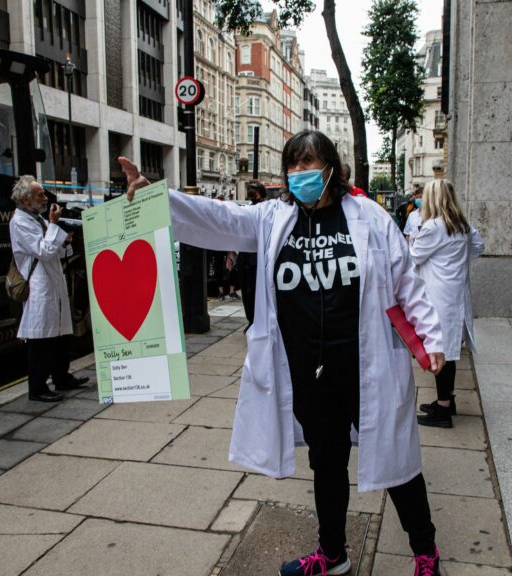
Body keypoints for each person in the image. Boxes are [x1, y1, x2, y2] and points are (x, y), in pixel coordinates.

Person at [119, 130, 447, 576]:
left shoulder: (368, 216)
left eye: (308, 163)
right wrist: (158, 198)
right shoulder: (274, 217)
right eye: (292, 164)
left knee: (398, 460)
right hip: (308, 372)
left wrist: (434, 340)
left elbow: (407, 280)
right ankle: (332, 554)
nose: (299, 173)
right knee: (326, 463)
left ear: (329, 167)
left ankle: (425, 554)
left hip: (364, 366)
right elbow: (219, 218)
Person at [411, 179, 484, 428]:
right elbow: (479, 247)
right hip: (456, 296)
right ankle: (446, 400)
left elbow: (413, 258)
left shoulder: (432, 227)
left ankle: (442, 410)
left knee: (440, 352)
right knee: (449, 352)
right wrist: (456, 263)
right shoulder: (462, 225)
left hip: (438, 297)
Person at [9, 176, 88, 402]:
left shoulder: (38, 219)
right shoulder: (20, 222)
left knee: (60, 334)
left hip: (52, 282)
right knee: (41, 338)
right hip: (38, 286)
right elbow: (42, 251)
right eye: (40, 195)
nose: (45, 199)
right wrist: (54, 226)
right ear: (26, 200)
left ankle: (61, 377)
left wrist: (64, 243)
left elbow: (55, 252)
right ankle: (37, 388)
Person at [237, 181, 267, 328]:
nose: (251, 193)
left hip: (258, 255)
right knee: (247, 291)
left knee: (257, 290)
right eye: (250, 191)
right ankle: (251, 320)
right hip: (245, 255)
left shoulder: (266, 209)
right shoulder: (247, 209)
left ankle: (258, 320)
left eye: (254, 191)